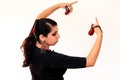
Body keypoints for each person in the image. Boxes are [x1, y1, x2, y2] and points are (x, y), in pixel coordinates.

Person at [20, 1, 103, 80]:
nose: (58, 36)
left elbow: (39, 18)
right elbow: (90, 61)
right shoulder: (52, 58)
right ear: (42, 37)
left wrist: (59, 5)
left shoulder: (33, 39)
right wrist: (100, 35)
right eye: (54, 34)